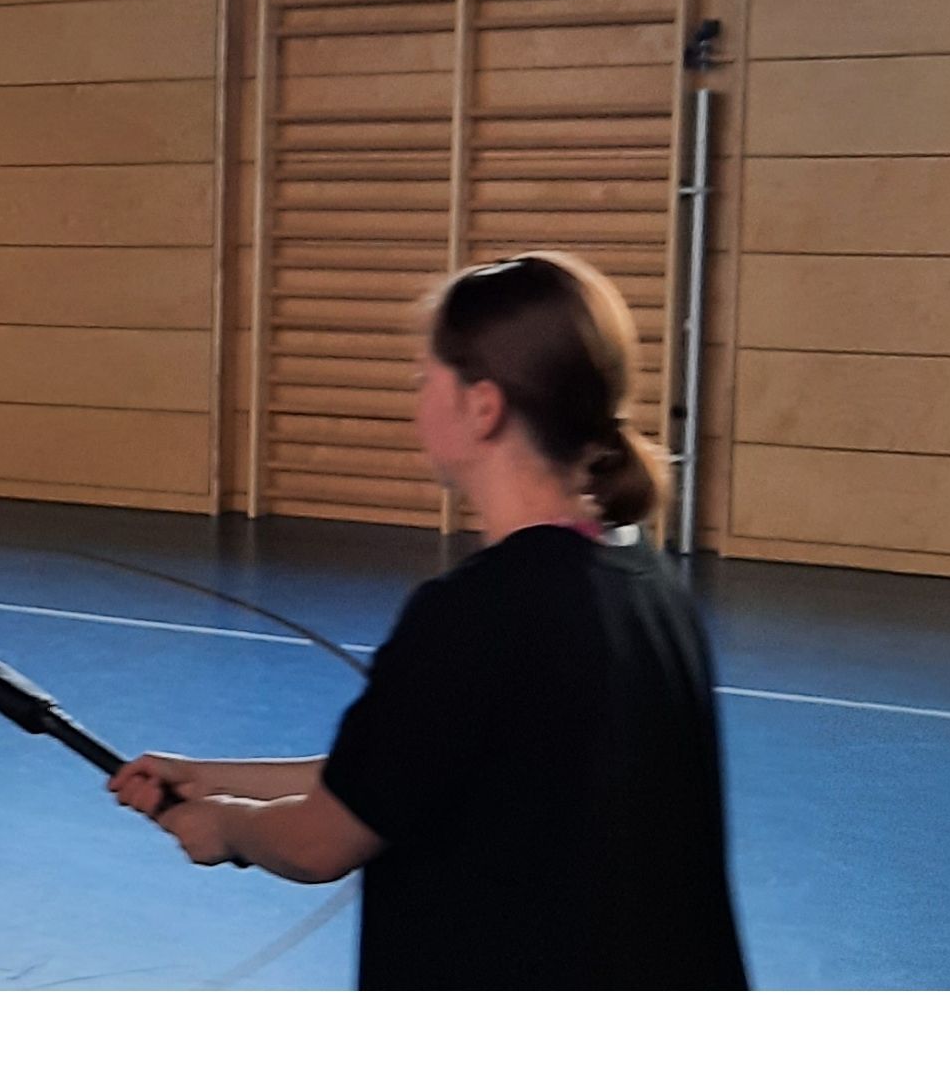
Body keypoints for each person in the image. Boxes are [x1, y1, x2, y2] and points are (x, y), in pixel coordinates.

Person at [110, 251, 746, 987]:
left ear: (483, 406)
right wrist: (208, 778)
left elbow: (320, 842)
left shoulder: (476, 614)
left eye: (425, 379)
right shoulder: (649, 585)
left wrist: (228, 825)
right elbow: (405, 770)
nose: (416, 401)